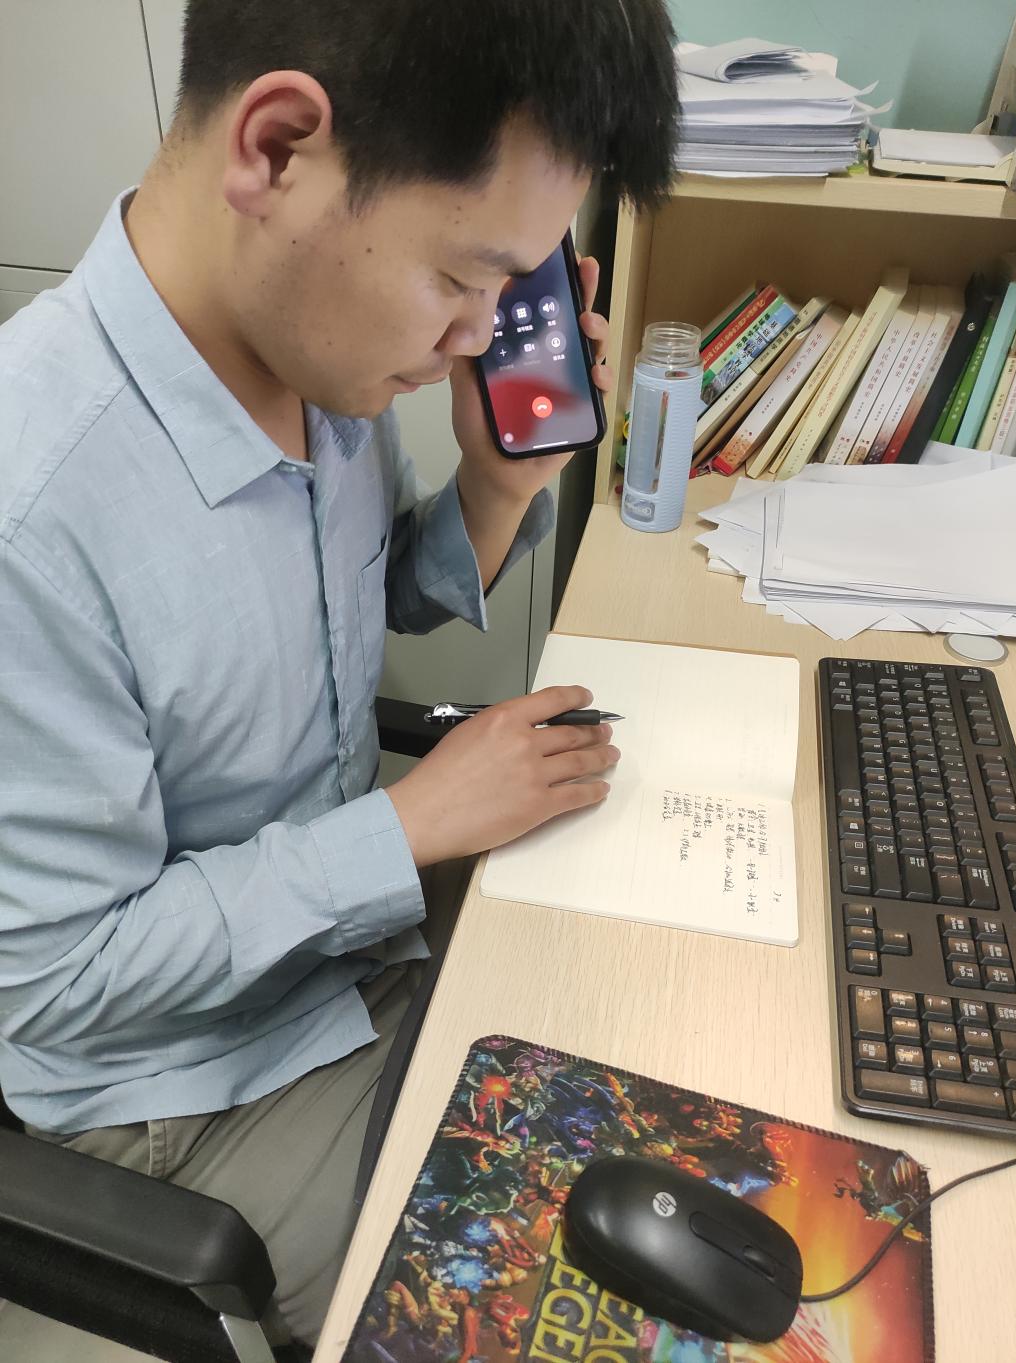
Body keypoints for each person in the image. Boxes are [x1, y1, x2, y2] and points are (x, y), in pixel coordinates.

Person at [0, 0, 678, 1347]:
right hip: (183, 1080)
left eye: (511, 290)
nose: (481, 334)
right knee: (601, 1302)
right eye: (463, 278)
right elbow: (56, 980)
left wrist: (497, 481)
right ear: (277, 149)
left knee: (659, 1033)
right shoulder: (35, 513)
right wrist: (408, 826)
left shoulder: (306, 352)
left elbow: (361, 602)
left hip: (350, 945)